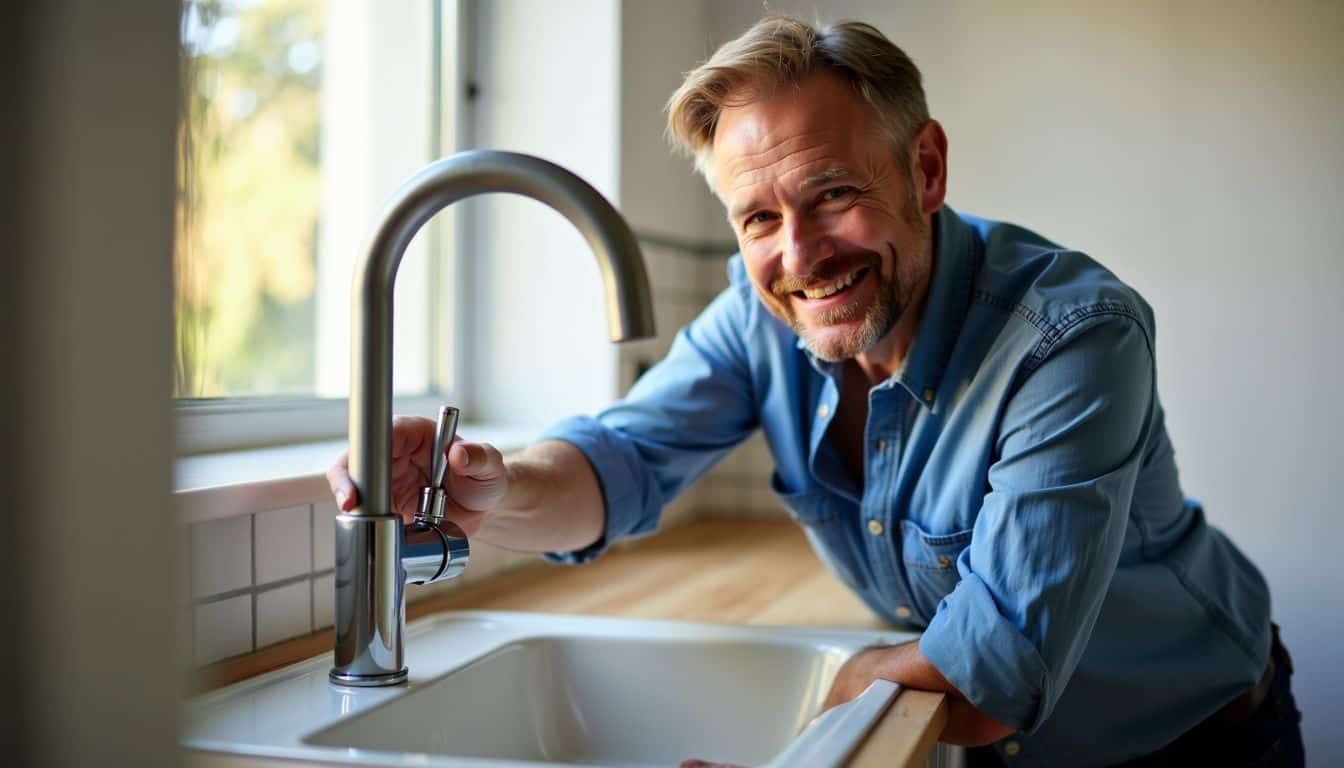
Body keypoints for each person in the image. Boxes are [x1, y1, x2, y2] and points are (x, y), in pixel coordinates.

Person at [327, 15, 1304, 768]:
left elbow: (994, 673)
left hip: (1195, 737)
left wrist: (820, 711)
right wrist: (492, 486)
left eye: (832, 193)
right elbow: (620, 459)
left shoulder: (1072, 337)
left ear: (924, 167)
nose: (798, 256)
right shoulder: (761, 319)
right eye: (757, 216)